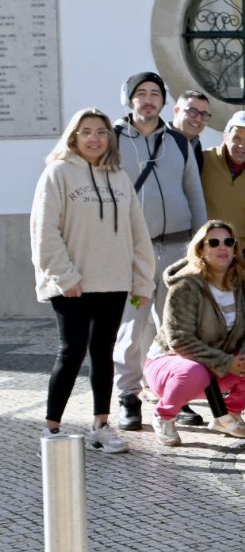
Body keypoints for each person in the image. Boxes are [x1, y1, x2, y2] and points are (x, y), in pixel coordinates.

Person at [32, 108, 154, 454]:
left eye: (101, 131)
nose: (94, 138)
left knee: (103, 355)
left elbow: (138, 234)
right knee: (71, 353)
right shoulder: (57, 173)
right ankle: (51, 428)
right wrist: (64, 275)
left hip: (113, 283)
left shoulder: (119, 177)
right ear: (74, 136)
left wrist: (142, 283)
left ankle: (101, 426)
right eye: (86, 131)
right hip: (72, 284)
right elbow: (44, 231)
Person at [113, 70, 208, 430]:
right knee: (133, 328)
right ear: (129, 98)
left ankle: (174, 393)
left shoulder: (179, 143)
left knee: (175, 328)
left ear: (163, 103)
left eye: (155, 93)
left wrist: (200, 245)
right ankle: (128, 397)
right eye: (142, 93)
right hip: (134, 253)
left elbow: (194, 195)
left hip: (177, 251)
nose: (149, 99)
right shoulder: (112, 140)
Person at [145, 220, 245, 445]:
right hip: (174, 363)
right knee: (194, 372)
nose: (222, 247)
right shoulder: (185, 284)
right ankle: (164, 416)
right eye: (214, 242)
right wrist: (227, 362)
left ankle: (227, 415)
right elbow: (180, 339)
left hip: (219, 364)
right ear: (201, 250)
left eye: (229, 242)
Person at [201, 110, 245, 280]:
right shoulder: (205, 160)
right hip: (207, 249)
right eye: (236, 138)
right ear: (226, 136)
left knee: (241, 305)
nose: (241, 145)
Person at [170, 91, 211, 174]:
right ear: (176, 111)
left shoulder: (197, 148)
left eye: (204, 114)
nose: (198, 119)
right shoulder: (157, 140)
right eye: (192, 112)